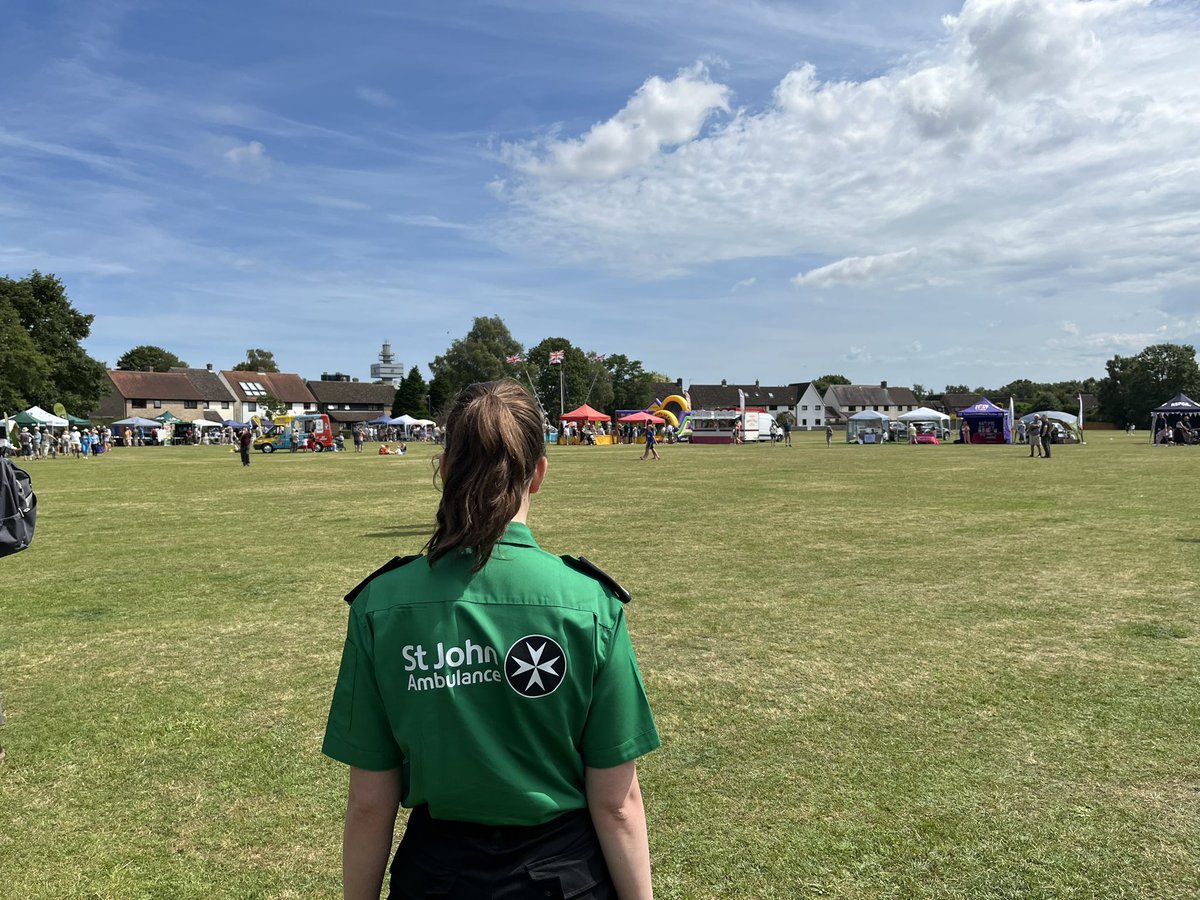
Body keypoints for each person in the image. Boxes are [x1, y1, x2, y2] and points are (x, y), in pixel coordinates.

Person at [323, 380, 659, 900]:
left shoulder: (381, 604)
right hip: (565, 878)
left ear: (444, 469)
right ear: (539, 473)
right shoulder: (589, 603)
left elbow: (370, 803)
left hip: (436, 878)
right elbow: (617, 803)